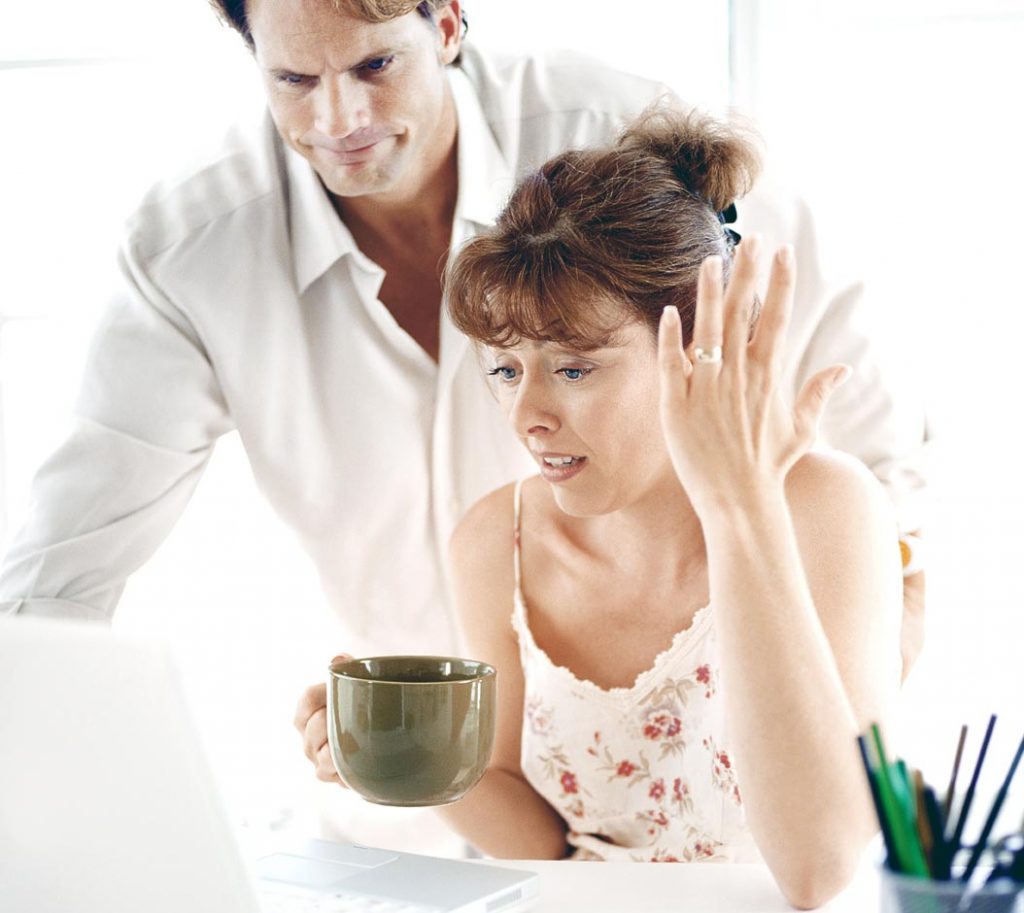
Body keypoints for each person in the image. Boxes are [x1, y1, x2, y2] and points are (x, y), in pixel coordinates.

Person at [0, 0, 921, 792]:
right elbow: (56, 584)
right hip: (419, 791)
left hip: (706, 778)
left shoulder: (614, 141)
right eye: (293, 79)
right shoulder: (191, 251)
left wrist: (851, 704)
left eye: (374, 65)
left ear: (445, 21)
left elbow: (868, 441)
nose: (340, 118)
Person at [431, 109, 901, 907]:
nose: (526, 416)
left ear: (695, 348)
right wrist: (408, 761)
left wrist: (739, 507)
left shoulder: (826, 509)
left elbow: (818, 867)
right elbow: (546, 844)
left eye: (573, 368)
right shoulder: (493, 542)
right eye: (506, 370)